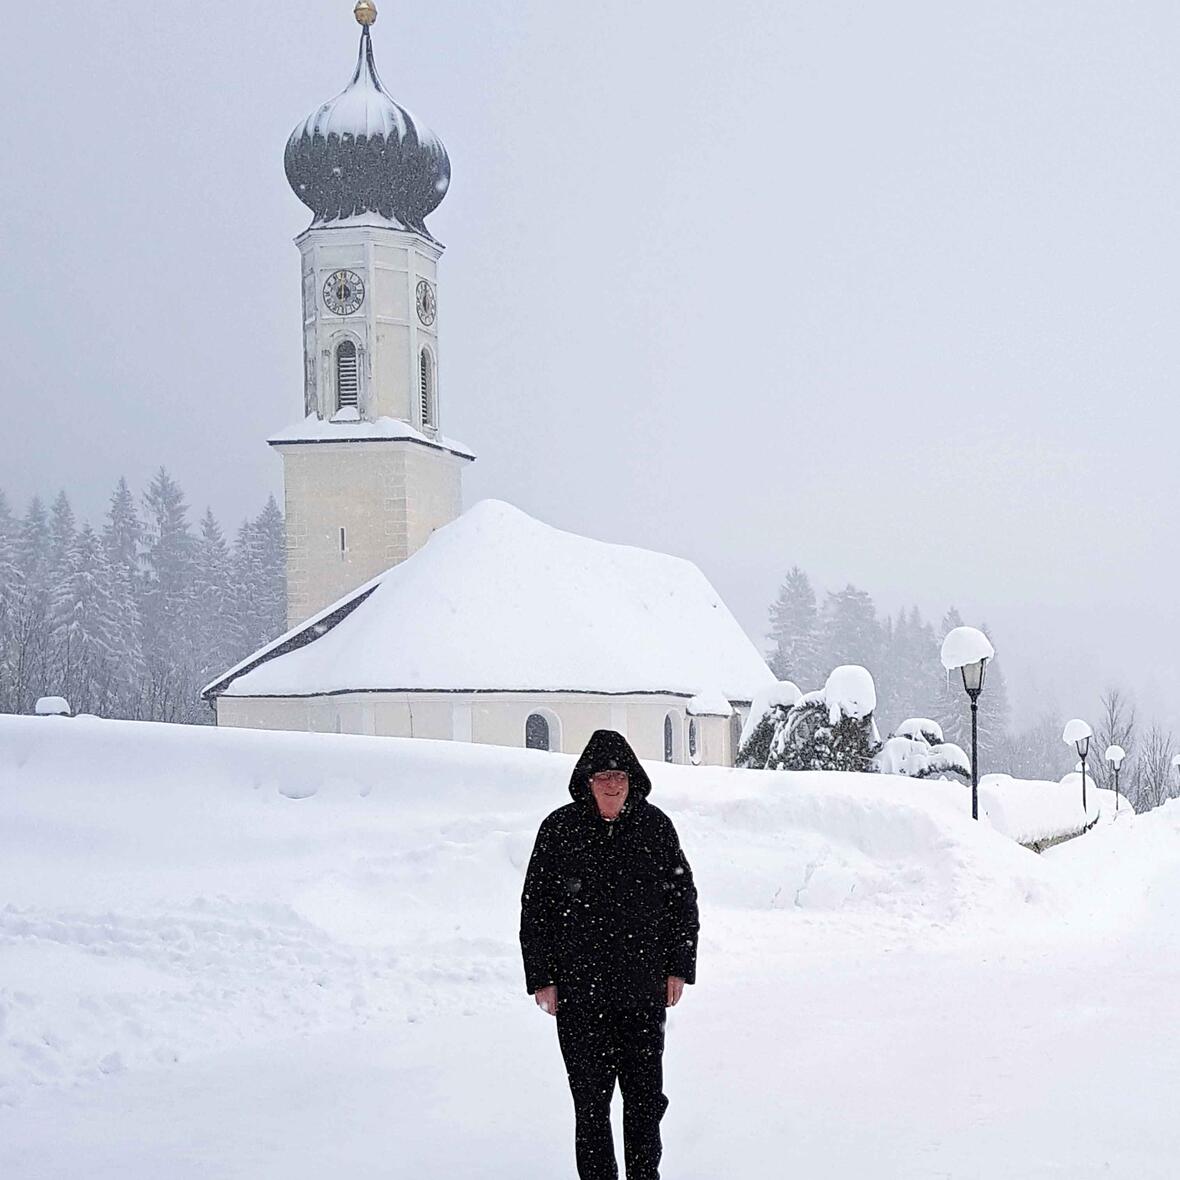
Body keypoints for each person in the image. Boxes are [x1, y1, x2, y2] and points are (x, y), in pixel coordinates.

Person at [520, 729, 699, 1180]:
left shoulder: (655, 828)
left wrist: (678, 966)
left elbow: (683, 901)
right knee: (591, 1105)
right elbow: (535, 908)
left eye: (619, 775)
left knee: (644, 1102)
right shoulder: (559, 831)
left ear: (632, 779)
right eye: (603, 776)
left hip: (642, 993)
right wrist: (542, 977)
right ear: (587, 781)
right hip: (581, 999)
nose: (612, 785)